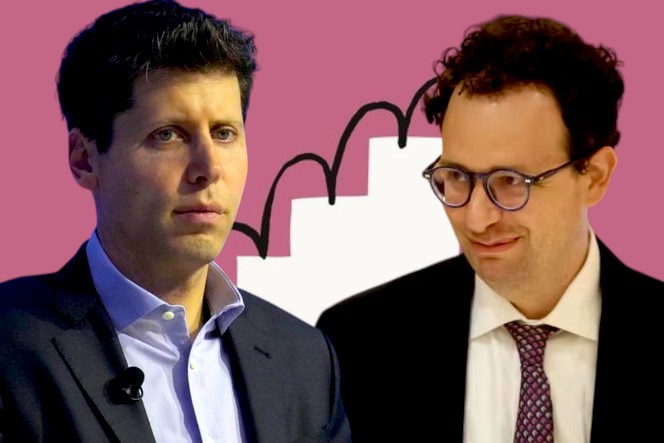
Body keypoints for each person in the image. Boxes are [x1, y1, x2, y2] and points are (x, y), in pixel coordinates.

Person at [0, 1, 350, 441]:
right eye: (167, 135)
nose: (209, 167)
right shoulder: (11, 346)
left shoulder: (305, 359)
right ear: (84, 158)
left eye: (224, 133)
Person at [317, 14, 664, 443]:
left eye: (511, 182)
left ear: (594, 176)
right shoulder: (360, 342)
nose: (476, 219)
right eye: (457, 177)